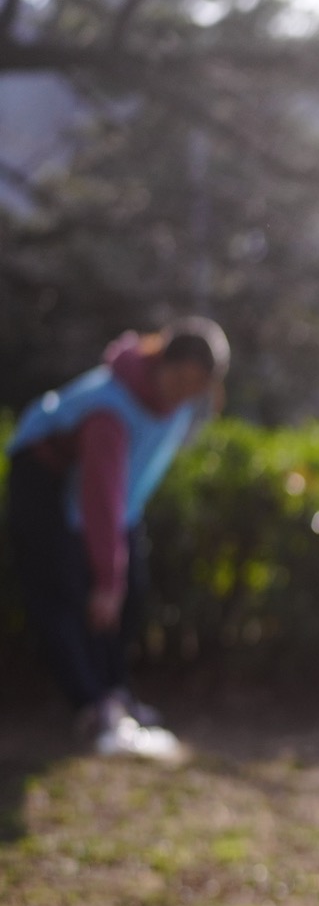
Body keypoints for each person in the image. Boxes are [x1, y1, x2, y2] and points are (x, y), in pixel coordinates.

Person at [6, 318, 227, 761]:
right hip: (45, 482)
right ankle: (92, 707)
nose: (185, 394)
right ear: (161, 362)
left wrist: (117, 577)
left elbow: (123, 495)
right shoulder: (109, 409)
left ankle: (115, 692)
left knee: (131, 591)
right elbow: (97, 500)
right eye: (181, 380)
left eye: (197, 387)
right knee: (69, 591)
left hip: (109, 500)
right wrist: (107, 578)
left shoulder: (177, 406)